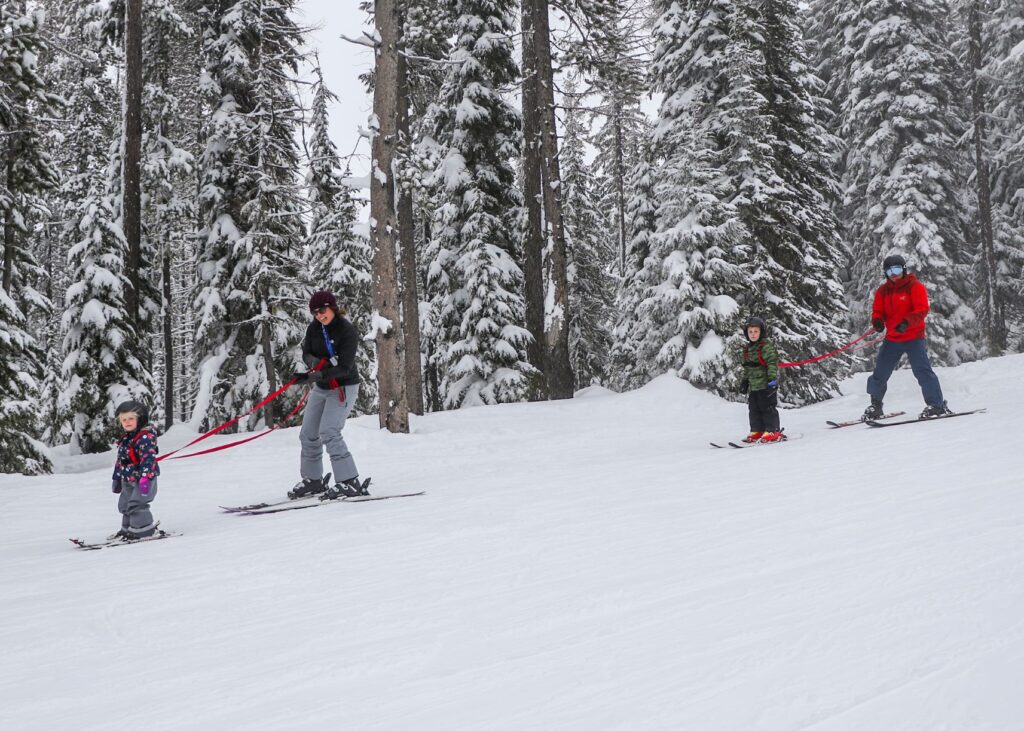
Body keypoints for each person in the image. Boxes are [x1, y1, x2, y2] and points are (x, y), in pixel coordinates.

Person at [289, 290, 367, 500]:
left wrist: (316, 375)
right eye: (315, 313)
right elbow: (306, 352)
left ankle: (349, 481)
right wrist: (313, 366)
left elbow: (345, 367)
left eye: (322, 311)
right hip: (322, 387)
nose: (319, 316)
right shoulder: (314, 328)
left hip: (343, 387)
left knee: (329, 431)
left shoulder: (346, 330)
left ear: (332, 307)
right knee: (308, 433)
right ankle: (313, 480)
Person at [863, 254, 952, 420]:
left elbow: (921, 309)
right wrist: (877, 321)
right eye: (889, 271)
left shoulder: (914, 286)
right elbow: (878, 311)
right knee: (879, 373)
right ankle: (875, 406)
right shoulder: (883, 291)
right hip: (892, 339)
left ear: (903, 269)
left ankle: (936, 405)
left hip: (913, 338)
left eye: (896, 269)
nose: (894, 274)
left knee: (923, 372)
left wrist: (906, 322)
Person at [110, 400, 160, 540]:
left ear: (140, 418)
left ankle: (143, 530)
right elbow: (120, 461)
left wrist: (145, 477)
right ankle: (127, 529)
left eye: (131, 418)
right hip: (127, 478)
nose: (127, 422)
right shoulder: (126, 438)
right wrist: (116, 478)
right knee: (125, 504)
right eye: (124, 420)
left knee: (136, 504)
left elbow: (148, 459)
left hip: (144, 479)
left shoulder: (145, 437)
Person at [738, 316, 785, 443]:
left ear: (761, 332)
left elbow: (772, 364)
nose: (753, 334)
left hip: (766, 385)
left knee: (767, 408)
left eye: (756, 331)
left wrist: (772, 381)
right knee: (753, 409)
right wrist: (745, 381)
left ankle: (772, 430)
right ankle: (757, 430)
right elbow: (747, 368)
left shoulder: (766, 346)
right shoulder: (747, 349)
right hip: (754, 386)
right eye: (750, 332)